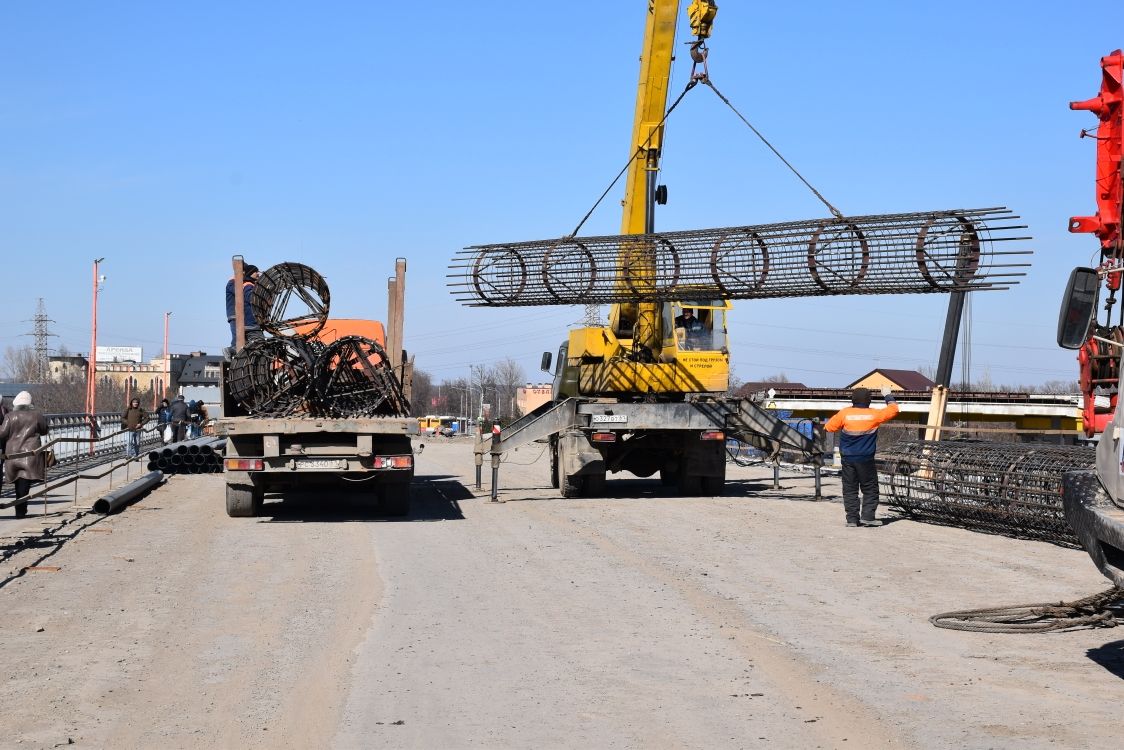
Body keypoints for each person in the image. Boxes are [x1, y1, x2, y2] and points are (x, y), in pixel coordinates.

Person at [825, 385, 899, 527]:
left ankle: (852, 520)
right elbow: (894, 409)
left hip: (848, 458)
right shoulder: (875, 415)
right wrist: (887, 395)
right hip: (866, 459)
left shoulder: (844, 414)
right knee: (870, 488)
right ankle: (868, 517)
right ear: (869, 401)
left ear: (853, 399)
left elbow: (829, 427)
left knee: (850, 489)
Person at [0, 391, 49, 519]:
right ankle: (21, 509)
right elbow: (45, 430)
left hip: (12, 455)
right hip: (30, 455)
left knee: (18, 482)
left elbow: (2, 433)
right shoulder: (37, 416)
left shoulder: (10, 416)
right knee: (24, 483)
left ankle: (20, 508)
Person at [226, 263, 263, 348]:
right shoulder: (234, 282)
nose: (258, 273)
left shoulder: (242, 282)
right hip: (235, 315)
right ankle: (232, 351)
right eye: (255, 272)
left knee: (242, 340)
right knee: (237, 340)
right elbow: (241, 293)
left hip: (240, 315)